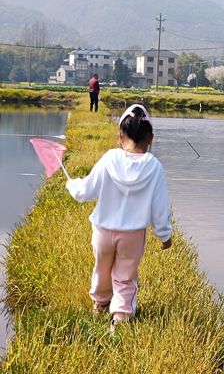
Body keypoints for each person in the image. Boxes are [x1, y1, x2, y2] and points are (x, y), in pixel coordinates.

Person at [66, 104, 172, 332]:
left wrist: (71, 184)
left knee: (101, 268)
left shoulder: (109, 158)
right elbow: (159, 207)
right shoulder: (154, 167)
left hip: (102, 232)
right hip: (133, 235)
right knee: (125, 276)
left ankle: (100, 304)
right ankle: (120, 317)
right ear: (150, 138)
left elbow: (85, 192)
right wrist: (164, 235)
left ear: (119, 137)